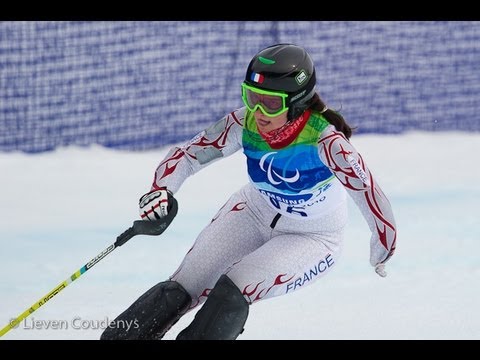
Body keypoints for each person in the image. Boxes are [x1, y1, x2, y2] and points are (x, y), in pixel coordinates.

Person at [100, 43, 397, 340]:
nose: (259, 112)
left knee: (232, 292)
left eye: (271, 104)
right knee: (182, 287)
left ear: (296, 103)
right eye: (252, 97)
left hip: (312, 237)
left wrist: (384, 243)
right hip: (252, 213)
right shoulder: (244, 122)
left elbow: (368, 191)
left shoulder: (326, 142)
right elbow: (188, 155)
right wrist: (162, 190)